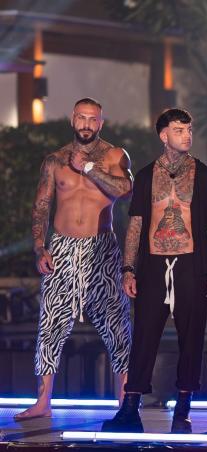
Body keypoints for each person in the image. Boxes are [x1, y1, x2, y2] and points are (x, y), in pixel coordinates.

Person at [102, 108, 207, 434]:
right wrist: (129, 268)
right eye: (179, 130)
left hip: (191, 265)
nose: (186, 135)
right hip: (153, 266)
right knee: (143, 336)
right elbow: (136, 224)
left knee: (192, 337)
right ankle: (130, 406)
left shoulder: (205, 175)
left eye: (189, 129)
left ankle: (183, 407)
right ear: (163, 135)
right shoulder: (145, 176)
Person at [16, 98, 132, 421]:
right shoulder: (54, 160)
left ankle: (125, 402)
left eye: (93, 119)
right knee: (50, 322)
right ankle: (43, 402)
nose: (86, 124)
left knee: (117, 324)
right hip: (62, 248)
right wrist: (40, 247)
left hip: (101, 247)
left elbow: (126, 190)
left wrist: (90, 170)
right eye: (81, 117)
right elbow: (41, 206)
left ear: (101, 123)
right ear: (72, 119)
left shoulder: (115, 156)